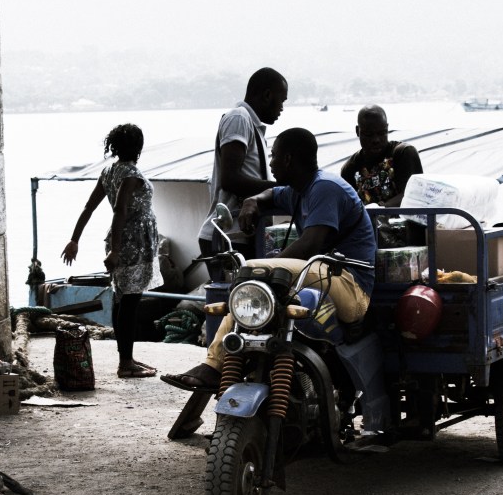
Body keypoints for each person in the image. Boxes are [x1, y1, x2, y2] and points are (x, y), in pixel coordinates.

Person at [163, 127, 376, 393]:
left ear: (288, 159)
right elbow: (272, 194)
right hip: (323, 277)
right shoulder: (300, 190)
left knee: (253, 270)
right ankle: (229, 365)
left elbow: (311, 243)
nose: (271, 163)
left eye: (274, 156)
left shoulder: (325, 188)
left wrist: (266, 269)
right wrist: (252, 201)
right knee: (258, 290)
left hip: (350, 285)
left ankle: (213, 365)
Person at [61, 123, 163, 379]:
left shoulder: (109, 171)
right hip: (133, 243)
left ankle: (126, 358)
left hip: (124, 242)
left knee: (123, 300)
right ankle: (126, 363)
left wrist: (74, 239)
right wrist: (115, 251)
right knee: (130, 303)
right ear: (138, 147)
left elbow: (89, 207)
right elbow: (120, 210)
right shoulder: (131, 174)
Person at [197, 67, 288, 277]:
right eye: (281, 101)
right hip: (227, 237)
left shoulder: (253, 126)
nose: (282, 108)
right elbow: (230, 179)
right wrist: (280, 189)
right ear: (267, 95)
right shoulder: (238, 118)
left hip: (243, 236)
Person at [339, 105, 423, 207]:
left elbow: (414, 196)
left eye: (381, 133)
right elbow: (349, 207)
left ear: (387, 128)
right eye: (369, 134)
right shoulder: (349, 169)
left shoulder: (404, 153)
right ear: (357, 131)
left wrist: (382, 208)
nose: (376, 140)